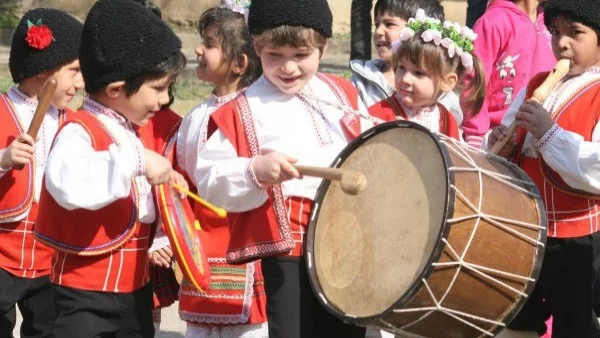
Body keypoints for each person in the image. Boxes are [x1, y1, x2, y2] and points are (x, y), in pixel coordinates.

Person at [193, 0, 378, 337]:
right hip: (288, 248)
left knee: (345, 330)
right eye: (275, 55)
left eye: (301, 55)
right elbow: (208, 177)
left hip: (345, 237)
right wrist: (255, 170)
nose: (288, 67)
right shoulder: (244, 108)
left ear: (322, 47)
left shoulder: (342, 92)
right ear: (258, 47)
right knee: (294, 330)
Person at [34, 0, 186, 336]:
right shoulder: (79, 130)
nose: (164, 101)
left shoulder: (128, 128)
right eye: (158, 88)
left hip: (134, 292)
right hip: (84, 297)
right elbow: (68, 181)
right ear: (116, 89)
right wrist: (139, 160)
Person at [487, 0, 600, 336]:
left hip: (576, 237)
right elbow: (513, 132)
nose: (562, 43)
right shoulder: (537, 83)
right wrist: (503, 142)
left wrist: (549, 134)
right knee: (517, 314)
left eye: (575, 33)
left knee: (574, 321)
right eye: (555, 32)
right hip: (527, 227)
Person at [175, 3, 268, 338]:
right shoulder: (195, 115)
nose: (199, 49)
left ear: (240, 63)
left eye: (210, 44)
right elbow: (180, 177)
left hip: (242, 243)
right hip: (198, 245)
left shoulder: (256, 113)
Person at [0, 8, 83, 337]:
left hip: (51, 253)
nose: (81, 83)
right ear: (44, 68)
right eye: (75, 71)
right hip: (2, 254)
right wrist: (4, 158)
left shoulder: (72, 123)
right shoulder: (2, 110)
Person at [369, 8, 486, 141]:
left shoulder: (447, 122)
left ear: (448, 82)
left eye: (418, 73)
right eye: (401, 67)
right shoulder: (379, 115)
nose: (405, 79)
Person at [350, 0, 464, 124]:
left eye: (389, 24)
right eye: (377, 24)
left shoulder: (445, 99)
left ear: (421, 34)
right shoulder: (361, 82)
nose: (378, 31)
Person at [461, 0, 555, 148]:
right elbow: (475, 81)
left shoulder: (553, 24)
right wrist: (476, 135)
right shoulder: (493, 21)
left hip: (537, 137)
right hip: (495, 137)